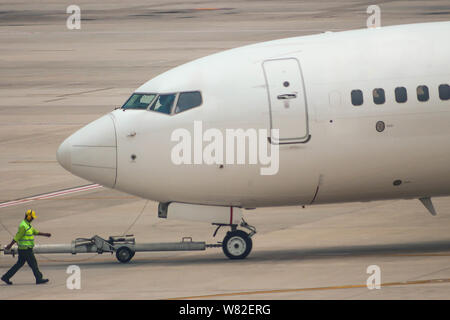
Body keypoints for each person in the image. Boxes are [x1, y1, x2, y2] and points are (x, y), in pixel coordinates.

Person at [1, 209, 51, 285]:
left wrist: (45, 234)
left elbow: (35, 232)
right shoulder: (23, 226)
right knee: (33, 264)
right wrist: (10, 245)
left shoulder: (27, 225)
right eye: (32, 217)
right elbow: (17, 237)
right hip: (25, 250)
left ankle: (6, 277)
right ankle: (39, 278)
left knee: (19, 264)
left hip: (24, 250)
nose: (33, 219)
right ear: (28, 217)